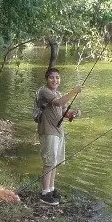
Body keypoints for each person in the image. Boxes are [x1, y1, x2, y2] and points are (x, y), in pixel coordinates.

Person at [35, 67, 82, 205]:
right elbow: (58, 102)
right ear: (47, 79)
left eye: (57, 77)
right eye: (52, 77)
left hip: (58, 132)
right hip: (48, 131)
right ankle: (44, 193)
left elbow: (63, 111)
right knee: (49, 162)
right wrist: (74, 91)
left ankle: (51, 188)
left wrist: (73, 113)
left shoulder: (59, 93)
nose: (55, 80)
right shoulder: (44, 91)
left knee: (55, 162)